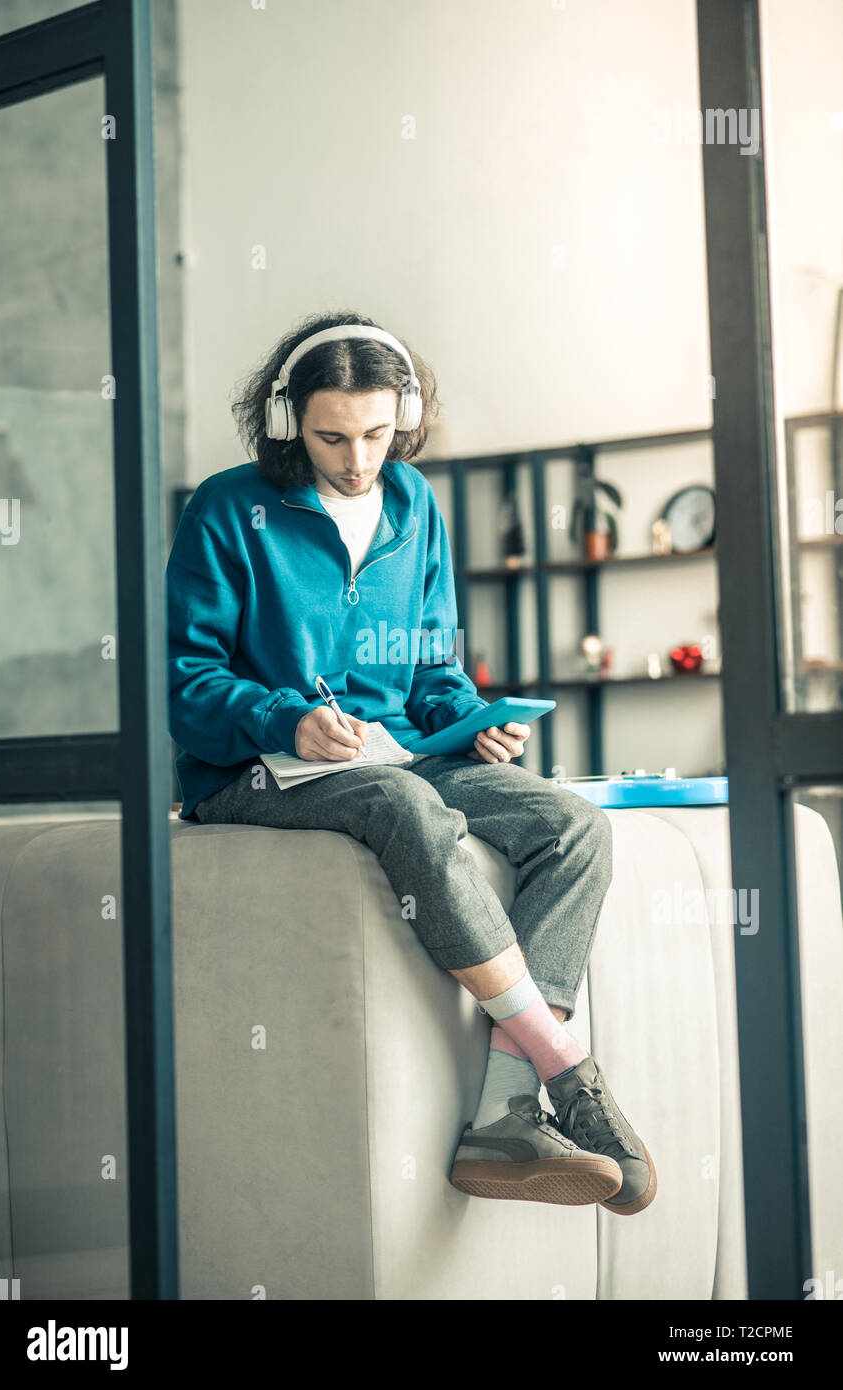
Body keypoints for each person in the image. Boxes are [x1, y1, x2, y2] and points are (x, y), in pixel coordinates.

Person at [165, 309, 656, 1215]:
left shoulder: (412, 503)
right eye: (332, 437)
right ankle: (567, 1075)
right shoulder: (229, 509)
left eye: (379, 434)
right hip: (254, 774)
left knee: (572, 825)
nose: (358, 460)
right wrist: (285, 718)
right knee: (402, 803)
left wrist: (470, 722)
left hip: (391, 753)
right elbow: (189, 684)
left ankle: (505, 1113)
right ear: (286, 423)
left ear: (407, 418)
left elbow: (430, 668)